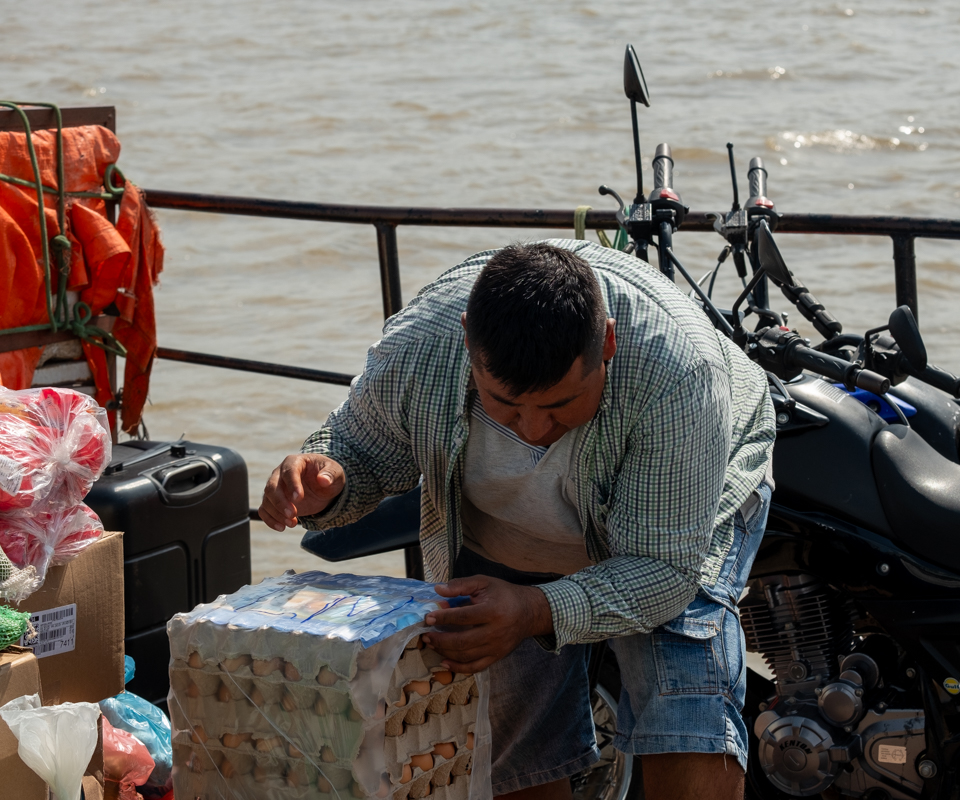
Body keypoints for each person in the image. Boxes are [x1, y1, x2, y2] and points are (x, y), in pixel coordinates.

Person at [259, 240, 775, 799]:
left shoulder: (678, 374)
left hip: (666, 525)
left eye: (560, 406)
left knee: (682, 697)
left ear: (606, 344)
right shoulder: (419, 345)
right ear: (466, 343)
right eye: (503, 404)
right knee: (507, 729)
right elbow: (359, 450)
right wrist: (326, 480)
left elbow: (664, 571)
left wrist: (534, 608)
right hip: (502, 530)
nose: (532, 430)